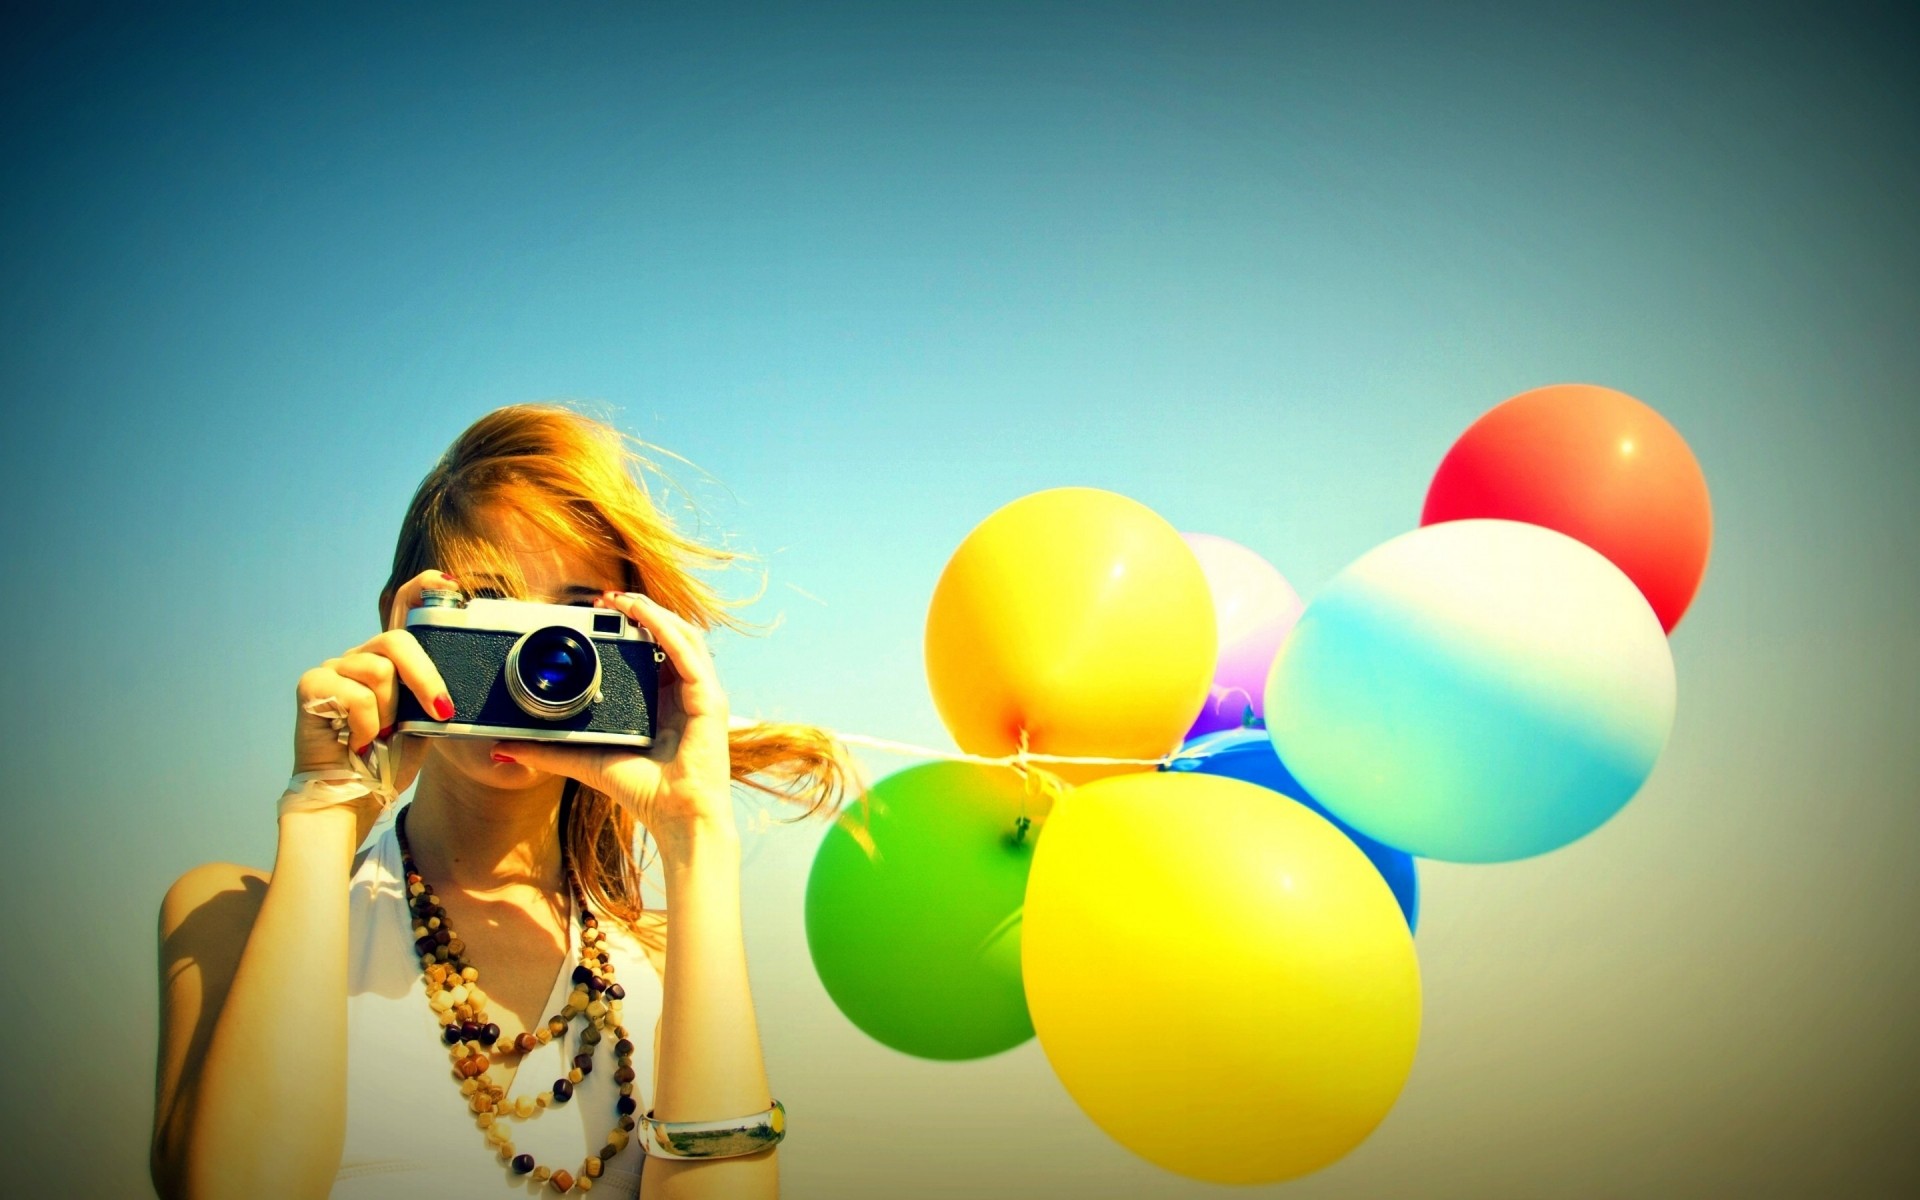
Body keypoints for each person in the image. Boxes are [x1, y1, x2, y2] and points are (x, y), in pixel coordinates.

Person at [152, 404, 853, 1198]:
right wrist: (323, 805)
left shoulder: (660, 960)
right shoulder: (228, 920)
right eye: (489, 600)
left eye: (576, 614)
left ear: (640, 643)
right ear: (402, 616)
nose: (537, 654)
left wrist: (697, 842)